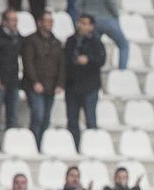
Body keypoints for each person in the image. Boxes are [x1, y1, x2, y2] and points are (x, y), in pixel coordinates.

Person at [22, 12, 66, 148]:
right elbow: (28, 62)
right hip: (35, 85)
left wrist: (59, 83)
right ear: (39, 23)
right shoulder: (31, 40)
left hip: (51, 85)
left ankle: (42, 144)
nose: (50, 24)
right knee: (38, 116)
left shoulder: (56, 42)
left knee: (46, 118)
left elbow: (61, 64)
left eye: (51, 21)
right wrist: (35, 81)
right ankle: (33, 143)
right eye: (47, 21)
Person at [63, 15, 107, 148]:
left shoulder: (96, 42)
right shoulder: (71, 41)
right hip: (72, 85)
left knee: (90, 119)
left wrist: (88, 60)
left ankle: (91, 146)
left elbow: (101, 60)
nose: (82, 26)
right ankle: (74, 146)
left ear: (91, 26)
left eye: (85, 23)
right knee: (72, 120)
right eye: (81, 23)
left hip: (89, 86)